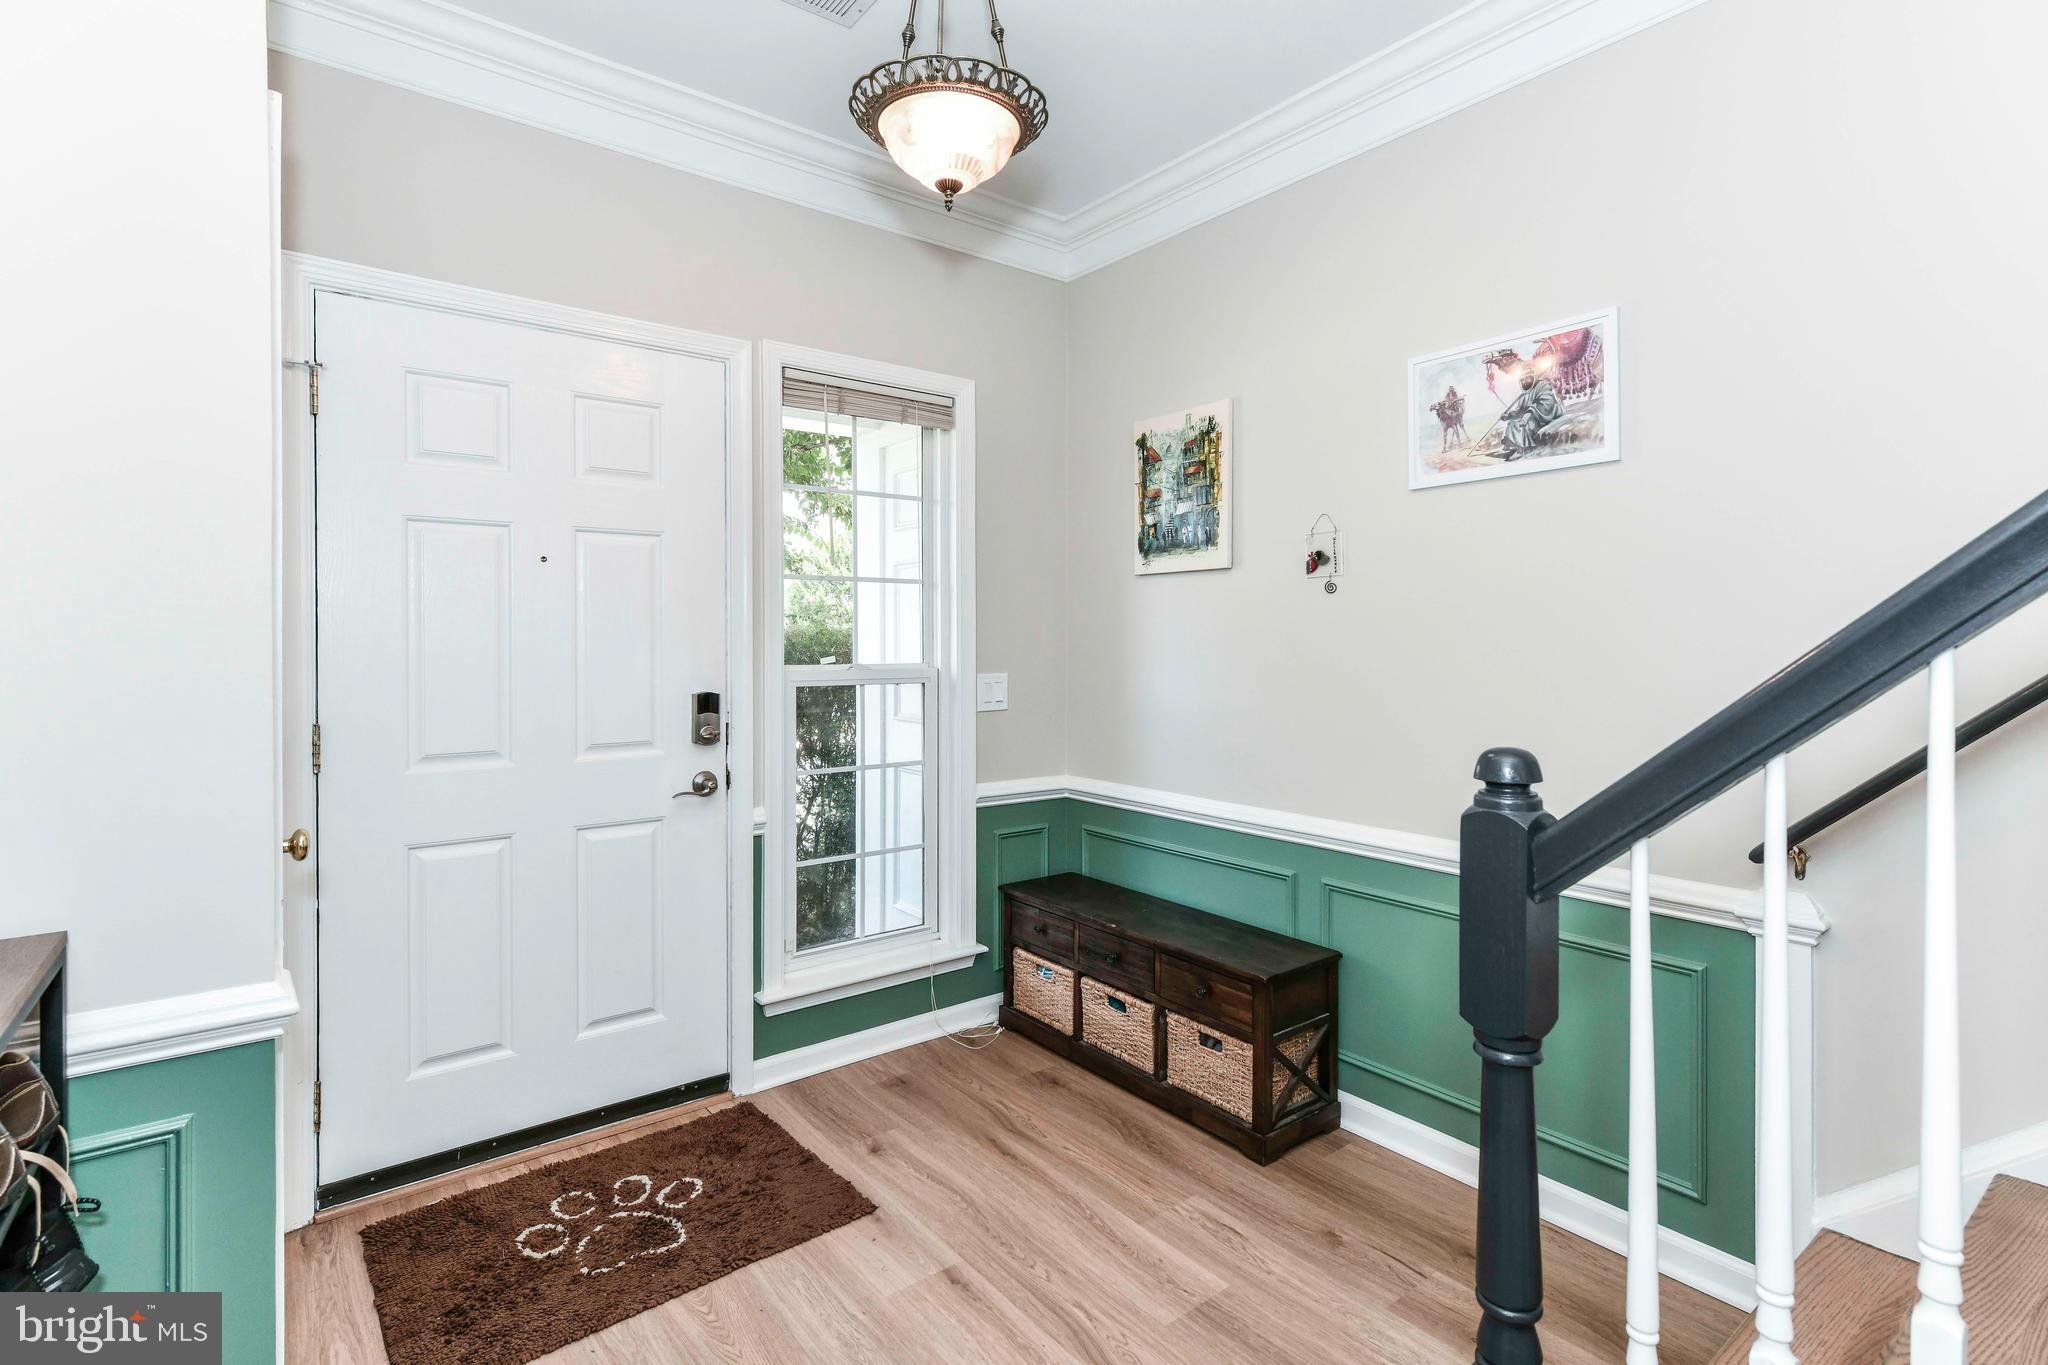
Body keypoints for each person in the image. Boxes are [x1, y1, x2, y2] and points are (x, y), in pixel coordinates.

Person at [1498, 368, 1563, 459]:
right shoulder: (1525, 393)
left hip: (1545, 415)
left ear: (1533, 378)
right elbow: (1520, 410)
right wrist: (1509, 415)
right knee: (1512, 423)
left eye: (1527, 378)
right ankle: (1509, 447)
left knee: (1526, 424)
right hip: (1531, 415)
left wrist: (1529, 412)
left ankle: (1524, 449)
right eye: (1522, 380)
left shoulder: (1543, 385)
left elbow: (1547, 403)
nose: (1525, 381)